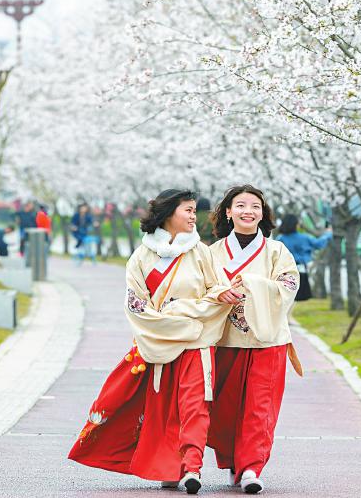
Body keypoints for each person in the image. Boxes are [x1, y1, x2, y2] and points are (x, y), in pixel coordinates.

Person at [68, 189, 234, 494]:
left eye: (194, 210)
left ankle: (192, 467)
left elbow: (218, 296)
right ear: (169, 212)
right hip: (159, 344)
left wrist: (180, 311)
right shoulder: (142, 257)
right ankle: (171, 466)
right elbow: (137, 307)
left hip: (197, 345)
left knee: (195, 406)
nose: (193, 216)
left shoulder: (202, 253)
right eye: (187, 209)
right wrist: (185, 322)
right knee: (162, 411)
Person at [206, 185, 302, 494]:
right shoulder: (211, 253)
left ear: (263, 214)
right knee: (226, 408)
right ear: (228, 212)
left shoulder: (277, 251)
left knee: (261, 407)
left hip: (267, 341)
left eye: (256, 206)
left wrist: (252, 284)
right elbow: (199, 286)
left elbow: (288, 284)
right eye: (241, 205)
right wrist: (220, 292)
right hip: (224, 341)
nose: (249, 211)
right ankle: (236, 461)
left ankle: (251, 468)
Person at [276, 213, 332, 320]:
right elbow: (319, 244)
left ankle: (286, 316)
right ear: (295, 225)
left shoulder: (280, 239)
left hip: (283, 270)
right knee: (295, 294)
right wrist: (328, 235)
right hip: (299, 269)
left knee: (286, 294)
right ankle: (287, 316)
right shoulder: (303, 238)